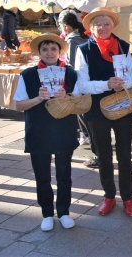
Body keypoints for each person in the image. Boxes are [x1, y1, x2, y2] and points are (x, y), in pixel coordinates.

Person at [75, 7, 132, 217]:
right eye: (98, 24)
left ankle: (128, 198)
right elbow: (81, 85)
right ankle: (109, 196)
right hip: (95, 109)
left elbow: (131, 78)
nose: (102, 28)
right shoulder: (83, 50)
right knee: (103, 154)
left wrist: (123, 83)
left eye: (106, 24)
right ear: (91, 27)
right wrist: (106, 84)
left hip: (121, 106)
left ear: (112, 26)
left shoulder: (123, 46)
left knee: (125, 154)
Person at [13, 34, 79, 232]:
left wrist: (66, 97)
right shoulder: (28, 75)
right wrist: (38, 98)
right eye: (45, 49)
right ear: (39, 53)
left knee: (64, 174)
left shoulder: (70, 73)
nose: (49, 53)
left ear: (59, 52)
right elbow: (18, 105)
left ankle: (64, 212)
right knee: (42, 176)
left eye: (53, 49)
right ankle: (47, 213)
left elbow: (80, 101)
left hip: (64, 129)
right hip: (39, 130)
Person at [58, 10, 94, 154]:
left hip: (77, 80)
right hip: (86, 79)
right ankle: (88, 136)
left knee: (80, 111)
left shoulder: (72, 40)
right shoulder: (83, 36)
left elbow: (72, 63)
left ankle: (88, 137)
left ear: (66, 26)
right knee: (82, 111)